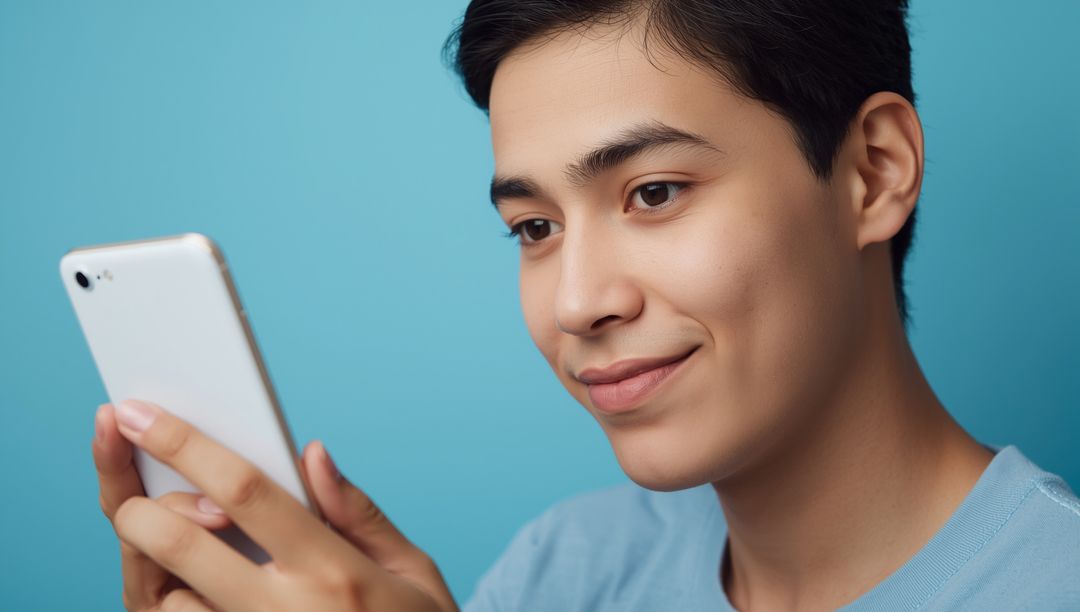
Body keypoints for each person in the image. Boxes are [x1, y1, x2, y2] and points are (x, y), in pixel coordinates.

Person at [91, 0, 1080, 610]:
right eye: (534, 228)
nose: (575, 304)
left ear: (872, 172)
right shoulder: (566, 571)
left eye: (654, 193)